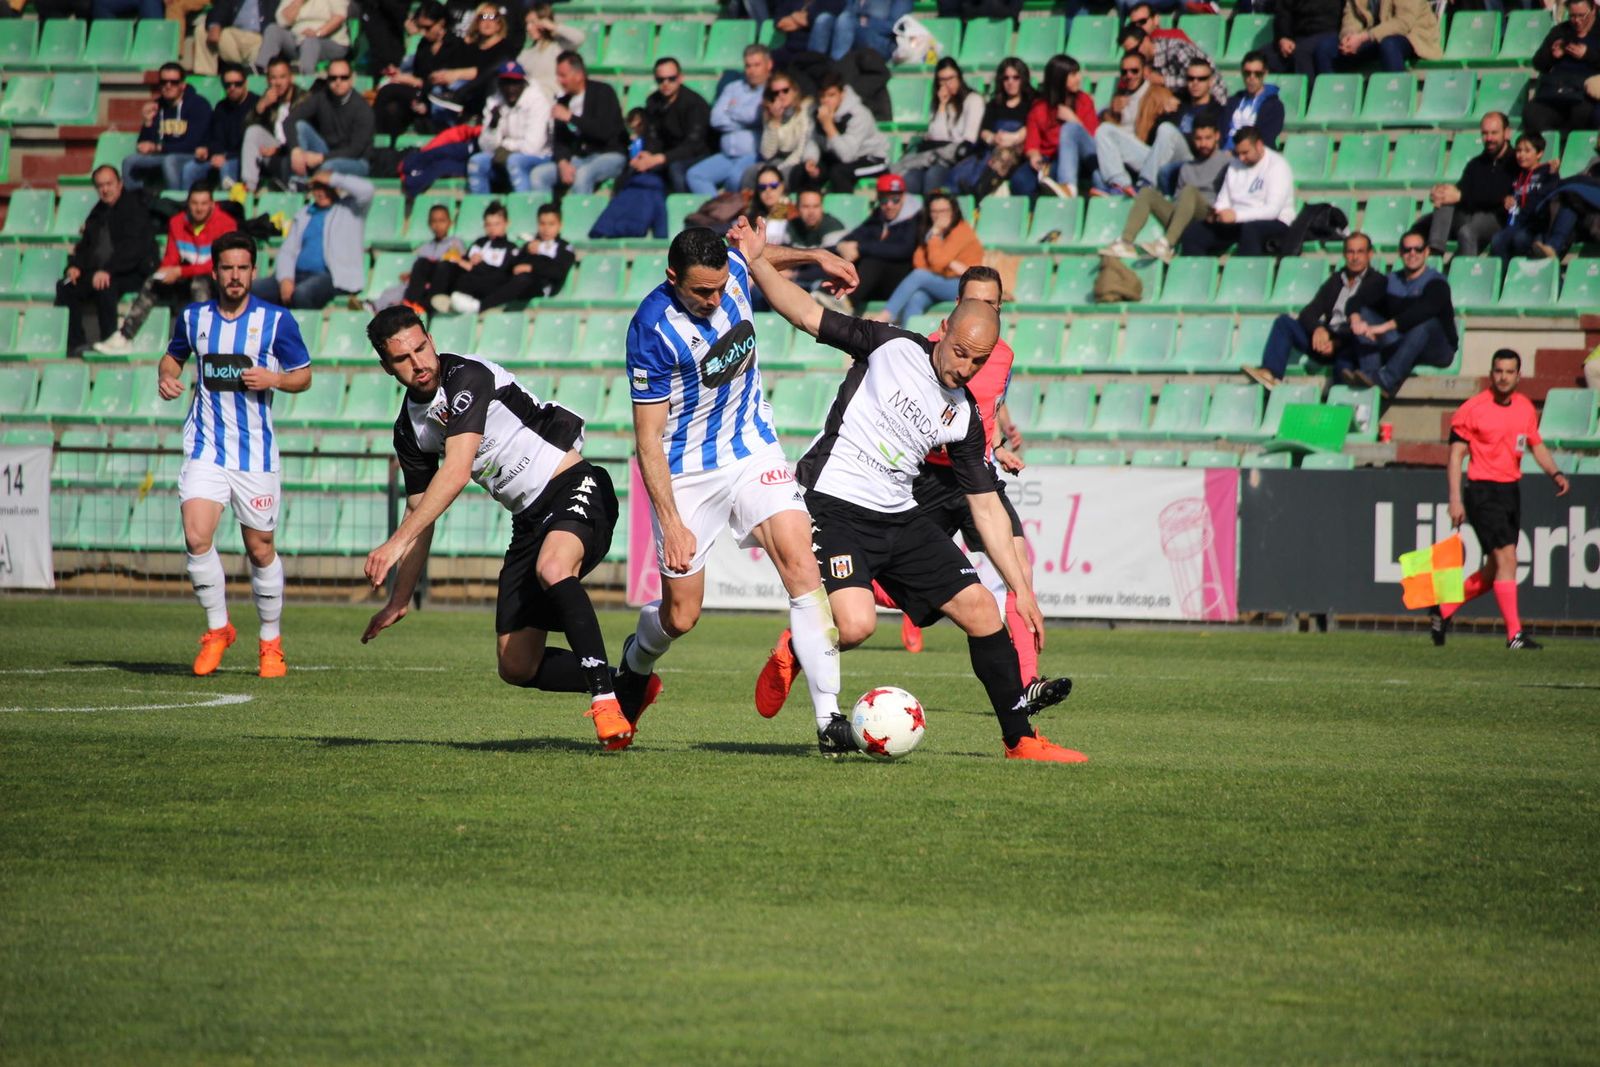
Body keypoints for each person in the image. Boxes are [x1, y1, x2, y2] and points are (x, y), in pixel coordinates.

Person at [730, 217, 1082, 763]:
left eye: (978, 361)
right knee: (856, 624)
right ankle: (802, 644)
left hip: (900, 516)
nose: (965, 367)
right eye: (960, 352)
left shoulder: (963, 416)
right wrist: (756, 261)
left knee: (984, 611)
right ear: (943, 328)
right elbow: (804, 312)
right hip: (833, 505)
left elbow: (985, 505)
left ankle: (1021, 742)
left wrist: (1023, 590)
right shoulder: (890, 346)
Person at [616, 226, 858, 754]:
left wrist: (815, 255)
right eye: (701, 291)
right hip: (686, 472)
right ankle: (636, 663)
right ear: (673, 278)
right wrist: (672, 522)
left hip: (752, 449)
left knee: (800, 561)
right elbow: (648, 439)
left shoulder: (729, 273)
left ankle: (829, 720)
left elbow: (752, 255)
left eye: (721, 286)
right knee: (682, 615)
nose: (714, 298)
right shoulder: (652, 329)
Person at [359, 306, 645, 749]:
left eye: (421, 347)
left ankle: (606, 702)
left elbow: (454, 474)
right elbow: (421, 515)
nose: (418, 363)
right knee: (516, 665)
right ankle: (628, 682)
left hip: (573, 483)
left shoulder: (466, 378)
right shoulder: (409, 431)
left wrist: (393, 545)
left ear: (431, 339)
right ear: (385, 366)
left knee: (554, 568)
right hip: (529, 521)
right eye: (402, 359)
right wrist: (400, 597)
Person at [159, 231, 313, 679]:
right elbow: (173, 358)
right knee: (196, 536)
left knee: (260, 549)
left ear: (252, 270)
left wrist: (275, 380)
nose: (235, 276)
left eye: (243, 267)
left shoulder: (276, 320)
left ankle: (270, 641)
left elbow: (303, 375)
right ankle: (217, 628)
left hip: (256, 455)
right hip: (206, 447)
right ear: (215, 271)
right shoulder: (192, 318)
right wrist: (166, 377)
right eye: (227, 267)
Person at [1431, 349, 1570, 649]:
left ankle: (1444, 608)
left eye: (1509, 372)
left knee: (1494, 570)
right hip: (1482, 490)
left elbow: (1537, 446)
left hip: (1510, 492)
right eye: (1498, 371)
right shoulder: (1473, 409)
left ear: (1518, 376)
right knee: (1508, 558)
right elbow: (1455, 456)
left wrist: (1555, 474)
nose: (1503, 377)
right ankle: (1514, 634)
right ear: (1491, 373)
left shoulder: (1524, 408)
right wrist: (1455, 499)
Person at [94, 183, 239, 357]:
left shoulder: (226, 224)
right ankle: (125, 336)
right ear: (188, 203)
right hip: (186, 276)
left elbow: (220, 264)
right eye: (194, 203)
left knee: (199, 283)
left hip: (215, 280)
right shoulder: (177, 222)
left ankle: (201, 340)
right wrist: (164, 271)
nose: (199, 208)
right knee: (152, 283)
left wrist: (180, 272)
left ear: (212, 204)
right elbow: (172, 257)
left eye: (203, 203)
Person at [1242, 232, 1385, 389]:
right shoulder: (1336, 280)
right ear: (1344, 254)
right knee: (1284, 323)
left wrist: (1336, 342)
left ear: (1370, 254)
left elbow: (1369, 323)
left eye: (1360, 252)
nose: (1355, 257)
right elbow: (1309, 312)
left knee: (1343, 366)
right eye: (1350, 252)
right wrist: (1318, 329)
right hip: (1324, 340)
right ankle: (1270, 374)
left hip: (1349, 344)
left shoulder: (1377, 282)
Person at [1100, 115, 1231, 261]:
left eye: (1208, 138)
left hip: (1209, 216)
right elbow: (1178, 201)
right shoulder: (1187, 167)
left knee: (1190, 191)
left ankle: (1167, 245)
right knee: (1146, 193)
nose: (1203, 143)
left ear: (1217, 136)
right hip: (1183, 218)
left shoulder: (1227, 162)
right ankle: (1126, 242)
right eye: (1199, 139)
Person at [57, 167, 159, 354]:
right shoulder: (97, 212)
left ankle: (108, 339)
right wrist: (74, 266)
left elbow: (134, 250)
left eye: (109, 184)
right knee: (66, 285)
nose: (105, 190)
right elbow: (85, 246)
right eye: (100, 186)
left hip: (130, 272)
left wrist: (108, 270)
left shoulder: (134, 209)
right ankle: (76, 344)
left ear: (119, 184)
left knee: (105, 286)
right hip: (99, 271)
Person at [1344, 234, 1457, 398]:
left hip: (1437, 349)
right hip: (1402, 343)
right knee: (1364, 314)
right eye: (1407, 249)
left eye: (1417, 249)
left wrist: (1382, 327)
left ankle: (1386, 380)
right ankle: (1370, 374)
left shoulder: (1437, 282)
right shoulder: (1390, 280)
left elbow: (1423, 311)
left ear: (1426, 253)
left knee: (1424, 324)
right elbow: (1357, 300)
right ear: (1400, 253)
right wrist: (1356, 321)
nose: (1412, 253)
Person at [251, 170, 374, 308]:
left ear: (335, 187)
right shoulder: (304, 213)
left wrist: (334, 178)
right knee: (251, 290)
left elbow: (367, 190)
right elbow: (287, 251)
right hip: (296, 274)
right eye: (317, 187)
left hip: (331, 276)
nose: (321, 192)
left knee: (302, 294)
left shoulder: (350, 209)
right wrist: (286, 278)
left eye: (326, 187)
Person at [1409, 111, 1515, 257]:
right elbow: (1461, 191)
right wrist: (1439, 193)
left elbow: (1500, 195)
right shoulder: (1476, 164)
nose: (1489, 138)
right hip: (1469, 214)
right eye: (1485, 133)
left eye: (1494, 133)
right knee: (1422, 224)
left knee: (1467, 232)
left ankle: (1463, 274)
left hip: (1496, 218)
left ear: (1507, 133)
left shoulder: (1516, 161)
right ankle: (1435, 251)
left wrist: (1461, 196)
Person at [1179, 126, 1294, 255]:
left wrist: (1236, 215)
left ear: (1259, 145)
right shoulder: (1235, 165)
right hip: (1238, 222)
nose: (1241, 158)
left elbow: (1272, 210)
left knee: (1250, 230)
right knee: (1193, 232)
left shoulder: (1277, 166)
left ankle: (1244, 274)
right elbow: (1224, 199)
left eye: (1245, 153)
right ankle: (1198, 272)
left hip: (1274, 223)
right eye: (1238, 153)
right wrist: (1217, 213)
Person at [871, 193, 981, 325]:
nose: (939, 215)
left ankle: (886, 315)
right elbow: (919, 262)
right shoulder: (931, 231)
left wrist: (935, 238)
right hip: (939, 282)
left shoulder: (961, 230)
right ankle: (910, 338)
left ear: (953, 211)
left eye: (944, 210)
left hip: (963, 285)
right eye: (934, 211)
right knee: (916, 297)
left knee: (920, 276)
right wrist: (949, 263)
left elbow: (935, 264)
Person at [531, 52, 627, 194]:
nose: (559, 81)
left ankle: (580, 216)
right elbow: (559, 142)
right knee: (539, 175)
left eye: (563, 76)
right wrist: (563, 162)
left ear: (579, 75)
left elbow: (604, 132)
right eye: (558, 75)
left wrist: (571, 117)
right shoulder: (563, 102)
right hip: (579, 159)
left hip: (609, 154)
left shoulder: (603, 92)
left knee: (583, 174)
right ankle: (549, 214)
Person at [373, 2, 473, 136]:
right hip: (421, 92)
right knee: (394, 110)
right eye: (420, 27)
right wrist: (400, 75)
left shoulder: (456, 46)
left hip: (441, 95)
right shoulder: (424, 45)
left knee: (388, 91)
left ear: (441, 23)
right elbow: (419, 72)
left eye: (427, 27)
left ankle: (372, 132)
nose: (423, 32)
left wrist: (414, 81)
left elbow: (445, 81)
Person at [829, 173, 922, 312]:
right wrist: (843, 246)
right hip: (872, 283)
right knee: (839, 258)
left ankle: (846, 303)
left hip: (899, 282)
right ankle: (827, 294)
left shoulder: (915, 218)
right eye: (884, 200)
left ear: (903, 197)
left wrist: (860, 248)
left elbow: (904, 249)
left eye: (895, 200)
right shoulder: (878, 217)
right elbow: (854, 236)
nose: (889, 205)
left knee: (873, 260)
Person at [687, 44, 771, 195]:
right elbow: (715, 119)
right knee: (695, 175)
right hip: (726, 156)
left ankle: (734, 216)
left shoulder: (771, 89)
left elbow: (754, 116)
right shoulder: (733, 87)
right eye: (748, 66)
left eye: (757, 65)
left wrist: (731, 109)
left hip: (753, 155)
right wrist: (745, 123)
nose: (751, 71)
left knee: (735, 179)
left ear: (769, 65)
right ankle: (716, 214)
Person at [1091, 51, 1175, 196]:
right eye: (1124, 72)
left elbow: (1168, 129)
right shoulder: (1119, 96)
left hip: (1149, 158)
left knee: (1104, 130)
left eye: (1134, 71)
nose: (1129, 75)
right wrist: (1112, 113)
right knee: (1097, 175)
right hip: (1125, 159)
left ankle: (1121, 185)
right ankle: (1122, 194)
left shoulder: (1158, 94)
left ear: (1146, 72)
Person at [791, 70, 889, 194]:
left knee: (838, 173)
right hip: (837, 158)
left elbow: (847, 156)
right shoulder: (816, 111)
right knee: (800, 172)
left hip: (871, 159)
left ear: (842, 94)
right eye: (822, 96)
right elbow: (813, 140)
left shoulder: (858, 114)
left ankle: (843, 210)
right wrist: (811, 160)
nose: (826, 101)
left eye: (831, 95)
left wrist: (828, 125)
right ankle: (793, 210)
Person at [897, 57, 984, 195]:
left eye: (950, 78)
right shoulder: (939, 103)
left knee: (933, 176)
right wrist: (942, 106)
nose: (947, 84)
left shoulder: (974, 100)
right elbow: (936, 136)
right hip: (934, 156)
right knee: (910, 179)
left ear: (959, 77)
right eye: (942, 80)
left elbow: (969, 139)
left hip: (957, 158)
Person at [951, 57, 1035, 198]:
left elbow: (1033, 126)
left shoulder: (1032, 102)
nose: (1010, 82)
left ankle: (979, 191)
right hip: (993, 148)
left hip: (1019, 150)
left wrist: (1015, 138)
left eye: (1016, 77)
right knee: (960, 169)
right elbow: (984, 131)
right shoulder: (995, 104)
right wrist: (993, 138)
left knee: (1005, 153)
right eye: (1006, 78)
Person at [123, 64, 214, 194]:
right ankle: (135, 203)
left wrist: (158, 148)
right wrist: (148, 122)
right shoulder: (156, 106)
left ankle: (176, 203)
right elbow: (143, 144)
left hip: (190, 155)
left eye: (174, 82)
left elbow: (192, 144)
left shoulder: (198, 105)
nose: (168, 86)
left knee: (169, 161)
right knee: (129, 161)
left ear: (183, 85)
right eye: (164, 82)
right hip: (163, 154)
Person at [1137, 57, 1223, 193]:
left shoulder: (1217, 111)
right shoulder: (1179, 104)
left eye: (1201, 79)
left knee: (1167, 130)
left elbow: (1209, 145)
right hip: (1159, 157)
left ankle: (1145, 185)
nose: (1195, 83)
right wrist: (1163, 113)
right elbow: (1152, 138)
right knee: (1107, 131)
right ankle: (1118, 185)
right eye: (1191, 78)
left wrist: (1173, 135)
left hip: (1190, 159)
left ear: (1210, 82)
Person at [466, 61, 553, 194]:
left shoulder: (537, 101)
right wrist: (493, 126)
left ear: (523, 83)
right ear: (499, 84)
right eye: (506, 83)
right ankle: (482, 209)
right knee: (476, 162)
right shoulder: (494, 102)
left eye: (515, 83)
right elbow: (486, 147)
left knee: (514, 161)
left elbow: (533, 147)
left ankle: (523, 207)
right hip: (506, 155)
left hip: (540, 156)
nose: (510, 88)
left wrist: (505, 146)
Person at [425, 1, 519, 118]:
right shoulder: (471, 45)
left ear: (499, 23)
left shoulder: (505, 47)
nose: (487, 22)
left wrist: (457, 74)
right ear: (476, 22)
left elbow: (489, 71)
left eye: (492, 17)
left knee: (455, 86)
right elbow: (452, 63)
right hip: (458, 86)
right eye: (483, 17)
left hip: (480, 90)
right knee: (438, 88)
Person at [286, 58, 375, 182]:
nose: (338, 82)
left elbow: (355, 150)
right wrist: (296, 150)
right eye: (333, 78)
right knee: (300, 126)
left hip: (356, 161)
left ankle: (307, 185)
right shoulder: (321, 98)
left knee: (328, 166)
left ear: (352, 79)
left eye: (343, 77)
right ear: (327, 79)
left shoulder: (362, 109)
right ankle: (299, 182)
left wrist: (321, 158)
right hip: (327, 151)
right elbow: (290, 120)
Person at [426, 199, 520, 314]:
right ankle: (434, 304)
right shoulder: (478, 243)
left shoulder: (510, 248)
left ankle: (466, 305)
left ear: (506, 223)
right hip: (466, 282)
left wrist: (479, 266)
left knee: (491, 279)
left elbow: (502, 275)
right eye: (488, 225)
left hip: (485, 286)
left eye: (497, 224)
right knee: (444, 265)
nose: (492, 228)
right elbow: (464, 262)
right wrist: (460, 261)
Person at [1023, 54, 1098, 197]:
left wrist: (1073, 119)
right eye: (1073, 74)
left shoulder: (1084, 101)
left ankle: (1067, 188)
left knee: (1056, 169)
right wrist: (1034, 155)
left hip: (1082, 158)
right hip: (1048, 158)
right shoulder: (1040, 107)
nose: (1079, 78)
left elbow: (1092, 139)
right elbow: (1032, 142)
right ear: (1059, 78)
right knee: (1021, 180)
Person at [1523, 0, 1600, 137]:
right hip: (1557, 91)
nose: (1577, 21)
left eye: (1582, 15)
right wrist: (1552, 55)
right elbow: (1538, 63)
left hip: (1584, 94)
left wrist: (1588, 55)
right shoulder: (1560, 31)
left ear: (1593, 9)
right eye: (1572, 16)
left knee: (1582, 113)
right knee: (1532, 113)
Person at [637, 57, 712, 194]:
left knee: (676, 168)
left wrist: (661, 158)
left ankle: (681, 208)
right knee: (636, 167)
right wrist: (647, 155)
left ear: (680, 78)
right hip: (667, 154)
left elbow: (694, 144)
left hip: (697, 154)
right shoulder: (653, 101)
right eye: (661, 80)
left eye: (671, 78)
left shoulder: (694, 104)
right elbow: (652, 135)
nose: (666, 83)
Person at [376, 202, 465, 311]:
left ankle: (417, 305)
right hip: (420, 286)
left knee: (438, 266)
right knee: (391, 292)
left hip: (438, 287)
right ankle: (376, 307)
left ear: (450, 223)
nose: (438, 225)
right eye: (434, 222)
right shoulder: (424, 247)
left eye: (442, 221)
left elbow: (453, 267)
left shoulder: (455, 243)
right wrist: (410, 274)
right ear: (429, 224)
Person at [241, 57, 309, 194]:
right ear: (268, 80)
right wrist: (261, 107)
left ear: (291, 78)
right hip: (273, 149)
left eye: (282, 77)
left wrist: (279, 149)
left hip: (297, 151)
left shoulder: (304, 99)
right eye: (273, 78)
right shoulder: (269, 98)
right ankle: (249, 189)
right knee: (253, 131)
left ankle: (294, 189)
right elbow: (246, 129)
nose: (278, 83)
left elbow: (303, 134)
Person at [182, 66, 257, 191]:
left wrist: (225, 157)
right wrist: (213, 152)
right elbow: (215, 136)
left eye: (237, 84)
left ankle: (229, 207)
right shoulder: (221, 107)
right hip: (221, 156)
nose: (232, 88)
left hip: (243, 159)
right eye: (227, 85)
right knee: (190, 169)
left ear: (245, 83)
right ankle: (184, 205)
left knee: (226, 166)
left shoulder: (256, 105)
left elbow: (251, 144)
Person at [1488, 131, 1559, 261]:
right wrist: (1507, 200)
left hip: (1535, 225)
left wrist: (1554, 174)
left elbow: (1551, 193)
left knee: (1520, 239)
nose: (1521, 155)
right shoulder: (1517, 175)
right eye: (1519, 151)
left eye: (1527, 151)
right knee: (1497, 240)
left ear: (1539, 153)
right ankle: (1503, 277)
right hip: (1515, 223)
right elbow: (1510, 195)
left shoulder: (1547, 172)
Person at [1119, 23, 1223, 102]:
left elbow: (1199, 81)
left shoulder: (1176, 49)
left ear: (1146, 40)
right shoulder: (1143, 61)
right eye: (1129, 52)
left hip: (1213, 99)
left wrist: (1163, 80)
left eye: (1135, 49)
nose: (1133, 55)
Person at [1334, 0, 1440, 72]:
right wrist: (1349, 36)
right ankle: (1330, 99)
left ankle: (1397, 97)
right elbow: (1352, 17)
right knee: (1325, 48)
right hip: (1372, 36)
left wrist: (1363, 37)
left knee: (1389, 45)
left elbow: (1403, 22)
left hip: (1412, 35)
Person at [254, 0, 350, 75]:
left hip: (329, 41)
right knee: (273, 29)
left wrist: (318, 33)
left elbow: (339, 17)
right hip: (298, 40)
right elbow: (282, 21)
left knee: (309, 41)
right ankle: (262, 69)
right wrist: (299, 1)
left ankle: (305, 77)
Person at [517, 2, 586, 100]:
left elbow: (579, 38)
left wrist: (554, 27)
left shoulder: (559, 46)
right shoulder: (527, 51)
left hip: (553, 99)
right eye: (527, 23)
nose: (528, 28)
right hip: (531, 101)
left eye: (533, 22)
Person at [193, 0, 274, 77]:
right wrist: (215, 24)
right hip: (233, 35)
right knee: (202, 30)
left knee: (268, 43)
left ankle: (255, 79)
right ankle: (205, 77)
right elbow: (220, 7)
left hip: (259, 38)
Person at [1223, 52, 1284, 151]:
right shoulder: (1232, 102)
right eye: (1247, 73)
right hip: (1225, 154)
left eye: (1257, 73)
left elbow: (1266, 140)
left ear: (1265, 73)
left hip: (1252, 155)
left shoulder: (1274, 106)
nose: (1252, 77)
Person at [813, 0, 911, 61]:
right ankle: (814, 64)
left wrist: (868, 22)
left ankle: (837, 68)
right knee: (824, 19)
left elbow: (896, 26)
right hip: (849, 31)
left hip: (879, 42)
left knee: (845, 20)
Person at [1271, 0, 1342, 76]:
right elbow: (1283, 13)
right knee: (1264, 57)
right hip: (1298, 35)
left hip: (1328, 30)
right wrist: (1284, 37)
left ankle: (1312, 87)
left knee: (1302, 52)